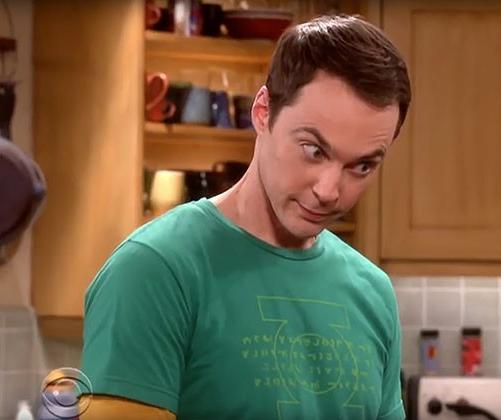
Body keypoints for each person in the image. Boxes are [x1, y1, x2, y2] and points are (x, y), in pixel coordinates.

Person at [80, 13, 411, 420]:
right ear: (263, 112)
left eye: (361, 166)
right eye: (313, 150)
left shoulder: (373, 292)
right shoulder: (155, 271)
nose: (329, 190)